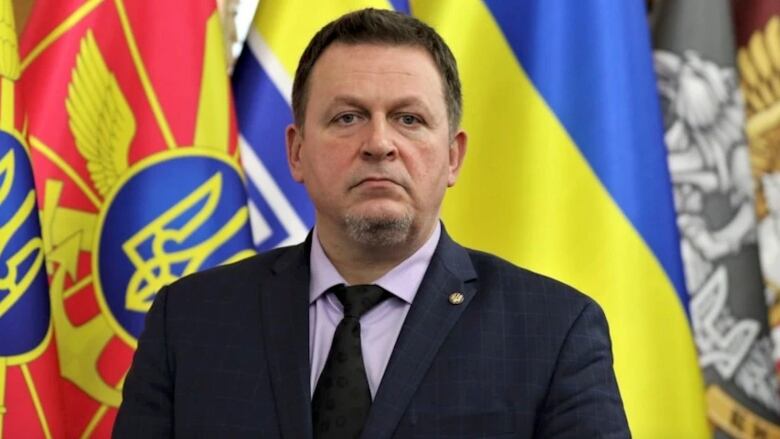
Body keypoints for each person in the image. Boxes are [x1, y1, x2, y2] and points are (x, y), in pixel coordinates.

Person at [114, 8, 629, 438]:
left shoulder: (554, 330)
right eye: (347, 117)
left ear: (453, 157)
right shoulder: (188, 321)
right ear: (295, 151)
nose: (379, 143)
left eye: (409, 119)